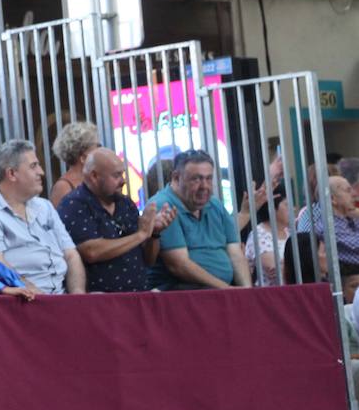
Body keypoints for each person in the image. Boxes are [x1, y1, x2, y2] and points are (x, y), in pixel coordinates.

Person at [58, 148, 175, 293]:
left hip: (138, 295)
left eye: (123, 174)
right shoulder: (74, 204)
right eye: (116, 175)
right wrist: (140, 235)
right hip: (99, 301)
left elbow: (148, 260)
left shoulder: (125, 203)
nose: (123, 181)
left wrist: (154, 233)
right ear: (94, 176)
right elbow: (91, 252)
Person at [0, 140, 86, 295]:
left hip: (61, 298)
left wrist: (78, 297)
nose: (41, 172)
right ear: (12, 174)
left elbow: (71, 254)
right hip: (20, 302)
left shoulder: (44, 206)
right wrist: (41, 299)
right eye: (33, 166)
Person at [146, 149, 251, 290]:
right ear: (176, 178)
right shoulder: (164, 205)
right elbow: (179, 265)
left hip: (221, 291)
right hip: (181, 292)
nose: (205, 186)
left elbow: (235, 252)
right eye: (196, 179)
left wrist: (247, 291)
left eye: (208, 179)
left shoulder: (215, 204)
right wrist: (227, 290)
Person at [243, 190, 290, 286]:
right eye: (287, 205)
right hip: (268, 295)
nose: (293, 209)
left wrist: (285, 265)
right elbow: (274, 268)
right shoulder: (258, 235)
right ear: (272, 208)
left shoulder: (289, 232)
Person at [49, 122, 100, 206]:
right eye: (97, 146)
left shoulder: (95, 178)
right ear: (83, 158)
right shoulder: (63, 187)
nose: (100, 151)